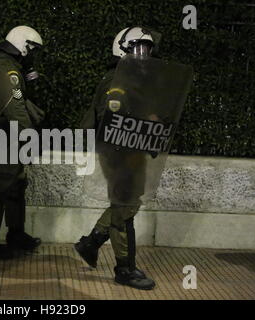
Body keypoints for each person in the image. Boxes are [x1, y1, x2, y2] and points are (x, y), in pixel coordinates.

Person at [75, 27, 157, 290]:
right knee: (124, 209)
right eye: (138, 49)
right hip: (119, 153)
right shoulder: (116, 82)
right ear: (121, 50)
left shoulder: (132, 81)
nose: (143, 56)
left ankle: (91, 242)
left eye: (146, 50)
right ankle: (124, 269)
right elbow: (112, 121)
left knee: (128, 205)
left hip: (132, 151)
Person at [0, 26, 45, 259]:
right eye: (31, 49)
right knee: (1, 187)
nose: (32, 54)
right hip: (2, 134)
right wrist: (30, 135)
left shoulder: (9, 65)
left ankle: (15, 234)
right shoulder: (7, 69)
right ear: (22, 44)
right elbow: (14, 107)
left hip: (8, 134)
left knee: (16, 184)